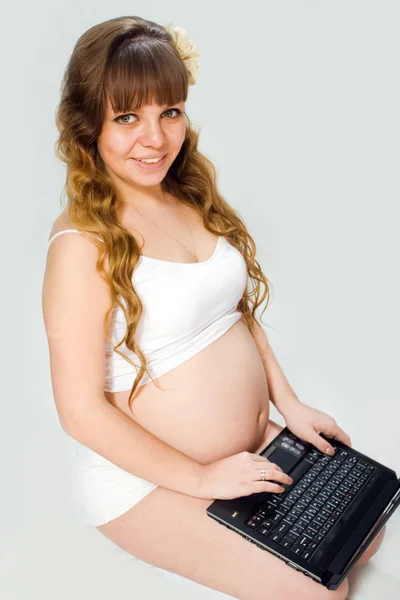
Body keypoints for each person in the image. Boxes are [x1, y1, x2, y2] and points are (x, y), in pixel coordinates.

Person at [42, 15, 385, 600]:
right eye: (127, 118)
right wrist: (203, 477)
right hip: (146, 482)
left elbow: (235, 313)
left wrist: (289, 403)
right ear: (88, 125)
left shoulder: (186, 194)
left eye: (168, 112)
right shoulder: (82, 245)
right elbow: (80, 411)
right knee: (321, 591)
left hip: (250, 450)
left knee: (368, 535)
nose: (155, 139)